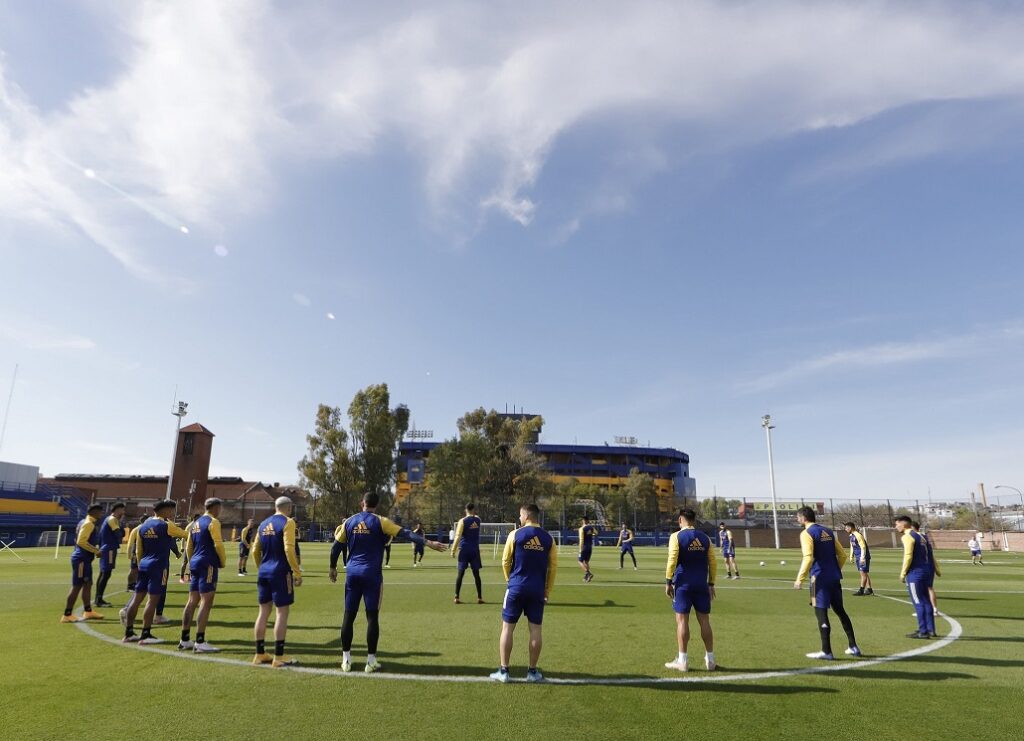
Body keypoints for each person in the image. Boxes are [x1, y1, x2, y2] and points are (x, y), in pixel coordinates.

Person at [329, 492, 445, 672]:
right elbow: (406, 533)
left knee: (348, 616)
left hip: (352, 574)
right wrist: (428, 542)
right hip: (372, 575)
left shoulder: (349, 522)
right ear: (377, 504)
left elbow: (336, 547)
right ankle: (370, 661)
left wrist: (332, 568)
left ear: (362, 503)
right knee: (372, 617)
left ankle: (346, 660)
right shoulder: (381, 521)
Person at [489, 503, 557, 683]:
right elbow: (553, 568)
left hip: (516, 587)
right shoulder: (549, 538)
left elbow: (505, 561)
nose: (519, 519)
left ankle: (504, 671)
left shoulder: (515, 534)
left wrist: (509, 581)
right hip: (537, 590)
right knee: (535, 630)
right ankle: (532, 672)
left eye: (520, 515)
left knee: (507, 628)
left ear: (526, 516)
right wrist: (547, 590)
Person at [793, 506, 860, 660]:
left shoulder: (806, 534)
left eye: (798, 517)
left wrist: (799, 579)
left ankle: (826, 651)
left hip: (819, 578)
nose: (797, 519)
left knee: (821, 613)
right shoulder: (829, 531)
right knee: (840, 611)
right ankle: (853, 646)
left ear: (803, 518)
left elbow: (808, 557)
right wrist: (834, 570)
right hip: (834, 577)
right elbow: (842, 555)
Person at [122, 500, 189, 644]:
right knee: (152, 600)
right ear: (165, 510)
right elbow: (186, 535)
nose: (173, 513)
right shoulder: (166, 525)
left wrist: (141, 566)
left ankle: (129, 632)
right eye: (172, 510)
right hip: (159, 566)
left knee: (137, 599)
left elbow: (139, 550)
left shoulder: (143, 526)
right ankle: (146, 635)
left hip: (144, 565)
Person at [251, 496, 303, 667]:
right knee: (282, 613)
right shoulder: (288, 522)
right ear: (289, 508)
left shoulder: (263, 524)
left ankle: (259, 654)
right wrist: (296, 572)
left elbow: (254, 550)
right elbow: (289, 548)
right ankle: (278, 656)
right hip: (280, 572)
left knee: (263, 612)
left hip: (264, 572)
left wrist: (261, 568)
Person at [664, 508, 717, 672]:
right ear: (694, 520)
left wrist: (668, 580)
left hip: (683, 585)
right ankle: (710, 660)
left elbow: (672, 558)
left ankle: (683, 661)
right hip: (701, 585)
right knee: (705, 621)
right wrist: (711, 584)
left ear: (680, 520)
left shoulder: (676, 536)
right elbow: (713, 562)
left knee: (682, 621)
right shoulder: (705, 538)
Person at [179, 498, 227, 653]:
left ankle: (184, 639)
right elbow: (218, 544)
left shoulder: (194, 524)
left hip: (195, 562)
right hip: (208, 563)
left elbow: (188, 547)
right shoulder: (213, 522)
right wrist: (223, 561)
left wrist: (192, 562)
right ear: (216, 507)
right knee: (206, 601)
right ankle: (200, 641)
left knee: (192, 600)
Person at [895, 516, 941, 638]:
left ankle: (923, 631)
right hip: (926, 571)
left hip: (915, 573)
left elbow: (908, 555)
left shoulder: (907, 536)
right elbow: (930, 554)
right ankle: (931, 629)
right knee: (926, 601)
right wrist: (936, 569)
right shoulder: (921, 536)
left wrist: (903, 573)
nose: (896, 527)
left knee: (918, 602)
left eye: (897, 524)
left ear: (903, 524)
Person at [61, 503, 106, 623]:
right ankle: (67, 614)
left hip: (84, 559)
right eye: (100, 512)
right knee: (77, 586)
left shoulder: (83, 522)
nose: (101, 514)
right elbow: (81, 541)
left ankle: (88, 611)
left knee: (88, 584)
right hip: (81, 559)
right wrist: (96, 550)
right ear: (94, 512)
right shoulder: (88, 524)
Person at [910, 520, 941, 629]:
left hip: (922, 567)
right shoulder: (925, 537)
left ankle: (931, 611)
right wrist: (936, 567)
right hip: (929, 566)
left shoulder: (916, 538)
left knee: (925, 589)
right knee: (928, 588)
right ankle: (933, 610)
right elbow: (930, 553)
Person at [451, 503, 484, 604]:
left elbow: (457, 536)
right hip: (474, 550)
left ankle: (456, 597)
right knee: (476, 574)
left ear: (465, 510)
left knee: (460, 574)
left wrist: (453, 550)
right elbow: (476, 518)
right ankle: (479, 597)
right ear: (474, 509)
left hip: (464, 550)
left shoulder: (462, 521)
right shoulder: (478, 520)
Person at [95, 502, 126, 607]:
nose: (123, 512)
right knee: (106, 574)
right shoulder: (113, 520)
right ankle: (99, 599)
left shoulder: (108, 519)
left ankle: (98, 598)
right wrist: (121, 528)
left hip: (106, 548)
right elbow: (119, 533)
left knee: (103, 573)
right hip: (109, 549)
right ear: (118, 509)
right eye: (122, 510)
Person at [843, 522, 873, 596]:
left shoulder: (858, 535)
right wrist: (851, 556)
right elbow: (852, 546)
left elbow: (863, 547)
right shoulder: (851, 536)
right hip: (858, 556)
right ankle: (869, 589)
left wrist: (862, 558)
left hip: (862, 557)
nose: (845, 529)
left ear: (850, 528)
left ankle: (861, 590)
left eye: (846, 527)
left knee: (863, 573)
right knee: (863, 573)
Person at [178, 512, 199, 584]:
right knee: (185, 562)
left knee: (193, 562)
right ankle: (181, 577)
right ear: (195, 518)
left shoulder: (199, 525)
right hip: (188, 546)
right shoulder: (189, 526)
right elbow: (184, 537)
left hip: (196, 546)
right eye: (199, 517)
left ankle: (190, 577)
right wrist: (182, 546)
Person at [578, 517, 599, 582]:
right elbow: (596, 533)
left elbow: (581, 539)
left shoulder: (581, 529)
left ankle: (588, 573)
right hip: (590, 547)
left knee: (580, 561)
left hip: (584, 547)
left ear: (583, 521)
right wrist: (590, 534)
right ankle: (587, 576)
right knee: (586, 561)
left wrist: (580, 549)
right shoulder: (591, 527)